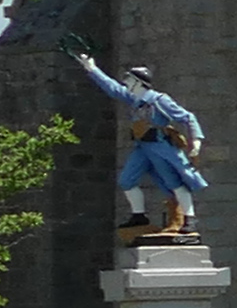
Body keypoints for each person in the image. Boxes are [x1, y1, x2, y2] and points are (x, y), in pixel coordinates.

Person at [72, 48, 208, 242]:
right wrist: (92, 69)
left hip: (160, 146)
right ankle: (139, 216)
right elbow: (112, 88)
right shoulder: (134, 99)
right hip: (142, 147)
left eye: (129, 79)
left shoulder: (159, 100)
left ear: (138, 82)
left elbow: (187, 117)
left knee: (175, 182)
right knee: (127, 180)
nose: (125, 83)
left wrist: (196, 140)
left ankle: (189, 219)